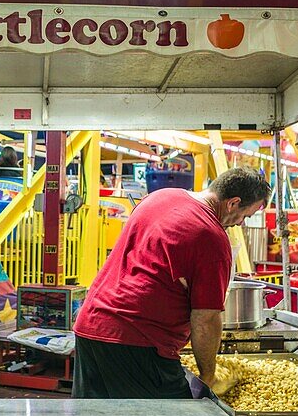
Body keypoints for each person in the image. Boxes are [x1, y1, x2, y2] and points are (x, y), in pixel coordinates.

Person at [72, 167, 272, 399]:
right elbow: (205, 318)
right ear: (233, 203)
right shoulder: (211, 238)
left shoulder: (161, 197)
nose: (240, 224)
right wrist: (208, 377)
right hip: (138, 339)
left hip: (90, 326)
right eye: (245, 216)